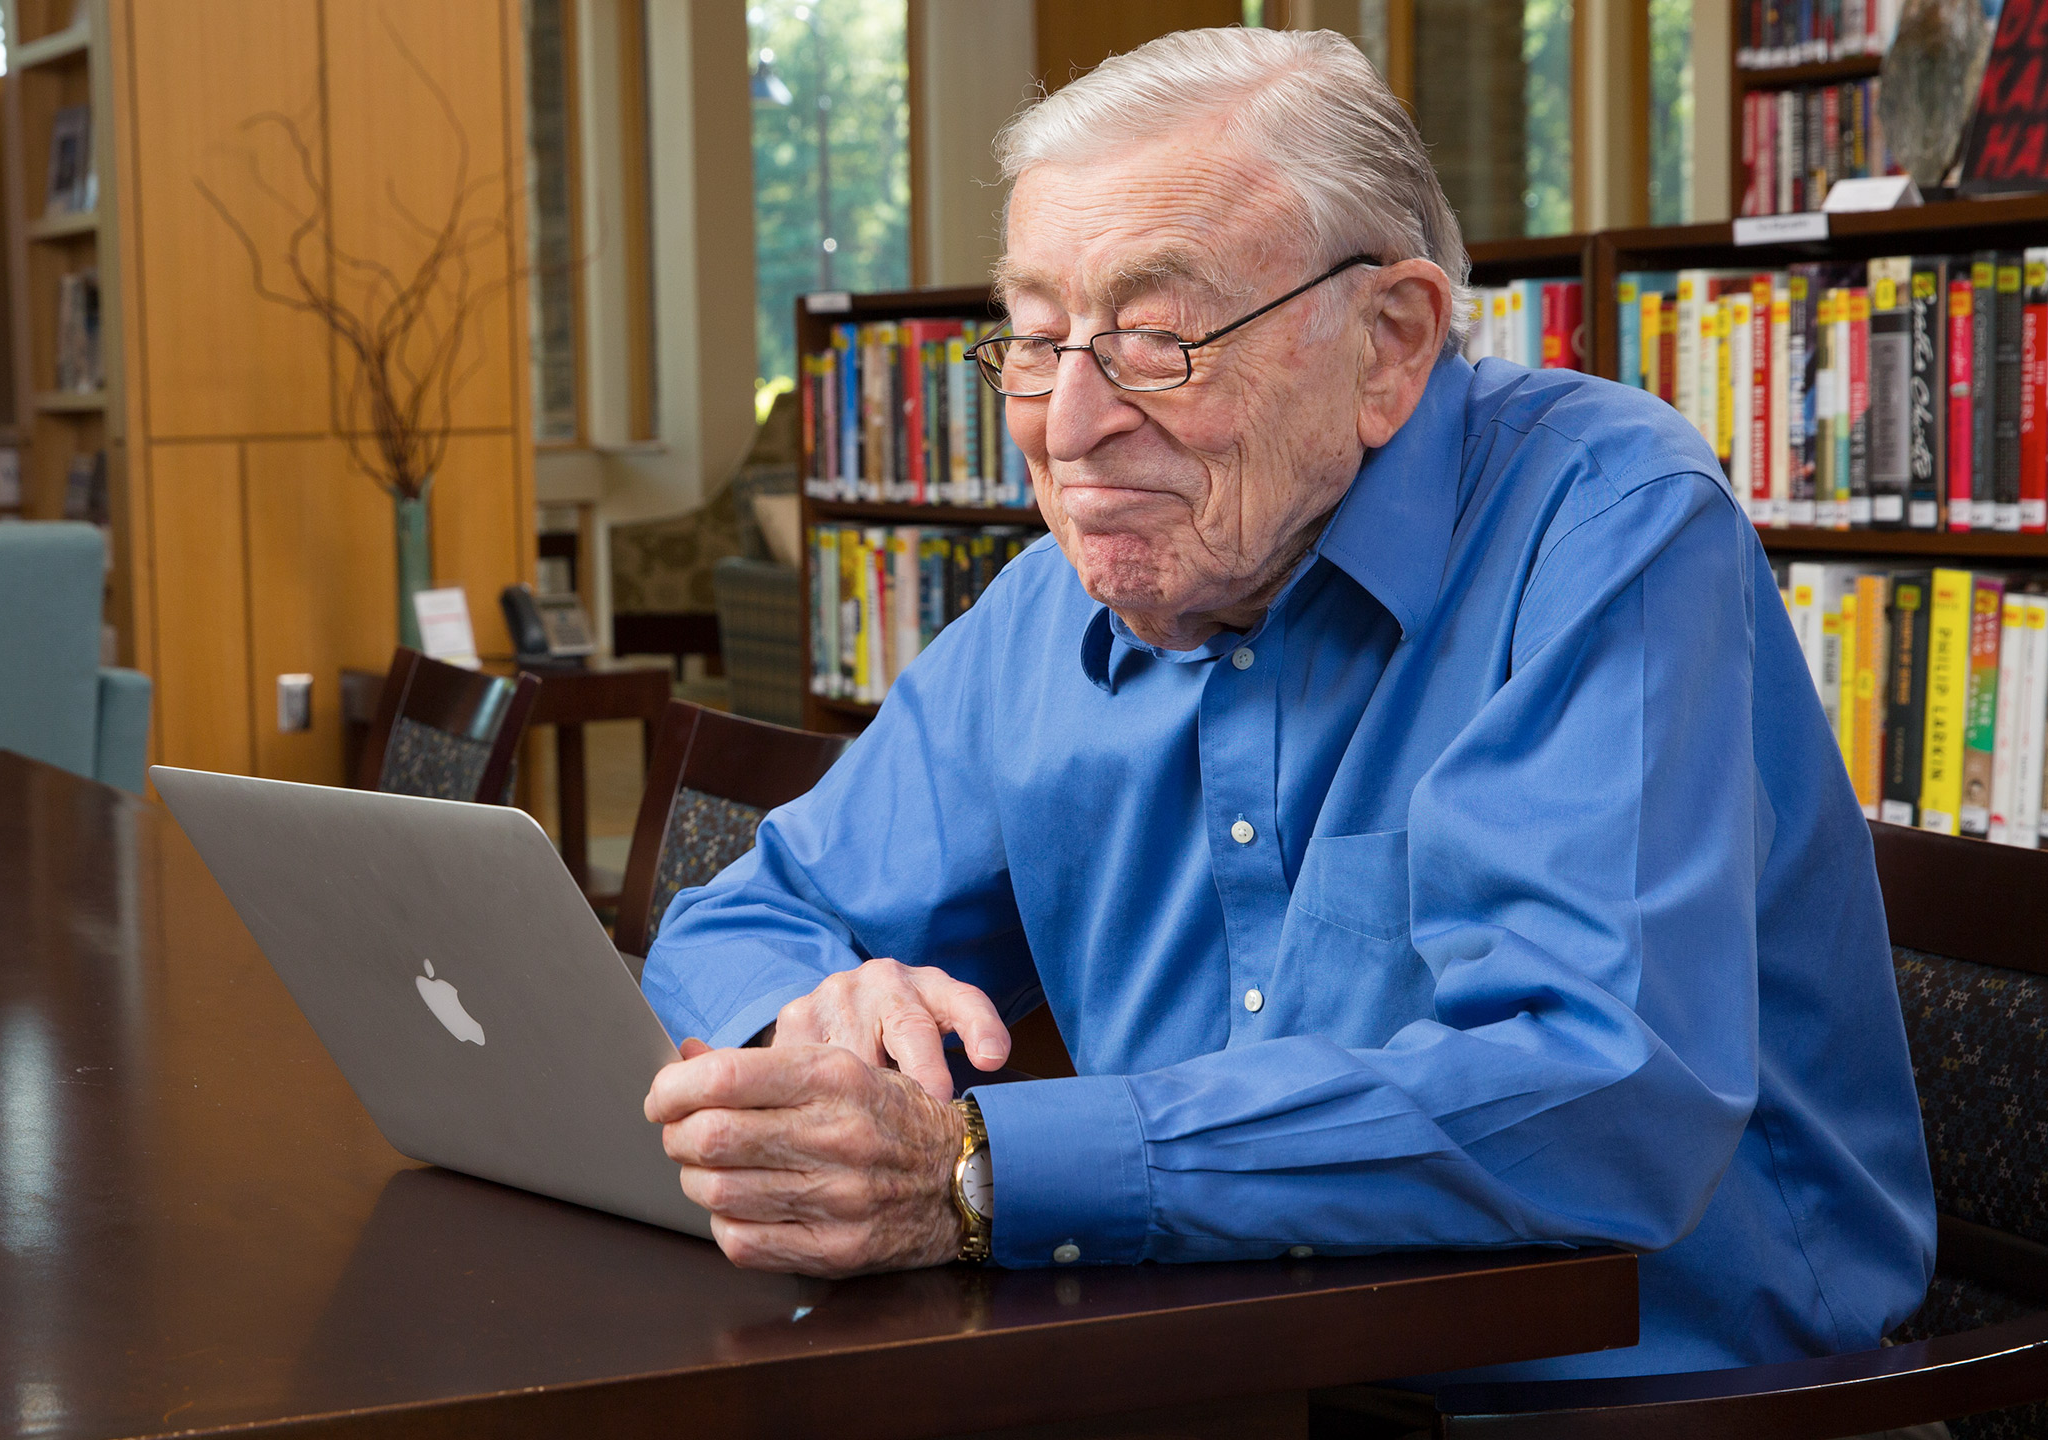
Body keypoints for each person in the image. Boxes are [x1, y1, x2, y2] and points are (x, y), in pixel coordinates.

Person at [637, 25, 1935, 1386]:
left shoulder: (1607, 524)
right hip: (1230, 1373)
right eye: (1032, 342)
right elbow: (741, 915)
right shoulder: (1050, 608)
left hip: (1661, 1402)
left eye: (1153, 340)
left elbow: (1597, 1097)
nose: (1066, 423)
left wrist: (987, 1172)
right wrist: (820, 1016)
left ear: (1390, 342)